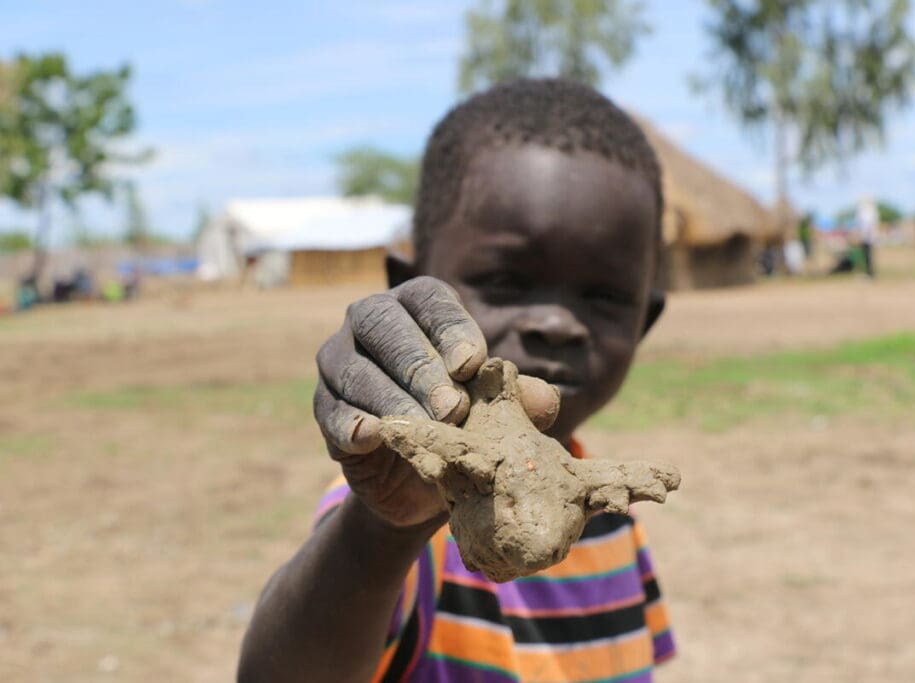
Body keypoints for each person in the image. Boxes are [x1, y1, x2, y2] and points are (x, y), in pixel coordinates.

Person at [238, 79, 676, 683]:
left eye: (603, 296)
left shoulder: (609, 515)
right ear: (410, 289)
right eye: (504, 283)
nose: (556, 324)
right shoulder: (406, 503)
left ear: (645, 321)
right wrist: (385, 529)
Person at [856, 195, 879, 278]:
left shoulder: (868, 213)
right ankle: (868, 273)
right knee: (867, 256)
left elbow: (867, 226)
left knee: (868, 256)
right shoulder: (869, 212)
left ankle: (870, 274)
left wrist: (864, 237)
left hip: (868, 238)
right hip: (867, 237)